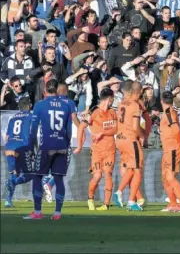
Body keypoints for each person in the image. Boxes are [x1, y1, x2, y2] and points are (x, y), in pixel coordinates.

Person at [26, 79, 73, 220]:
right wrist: (66, 144)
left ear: (45, 91)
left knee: (37, 177)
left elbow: (33, 129)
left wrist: (32, 147)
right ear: (57, 90)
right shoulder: (66, 106)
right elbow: (69, 130)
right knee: (59, 179)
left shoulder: (40, 105)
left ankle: (38, 212)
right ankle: (57, 213)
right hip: (62, 145)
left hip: (46, 146)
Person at [74, 88, 117, 211]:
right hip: (97, 151)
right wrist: (79, 145)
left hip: (110, 149)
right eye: (113, 99)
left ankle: (106, 204)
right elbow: (81, 127)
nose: (113, 101)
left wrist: (102, 133)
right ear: (109, 99)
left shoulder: (112, 113)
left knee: (108, 174)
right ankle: (90, 199)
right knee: (97, 176)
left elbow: (115, 129)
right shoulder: (93, 112)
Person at [113, 81, 147, 211]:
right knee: (138, 170)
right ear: (138, 92)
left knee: (130, 169)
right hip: (130, 139)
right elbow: (135, 126)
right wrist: (142, 136)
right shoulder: (134, 105)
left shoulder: (122, 103)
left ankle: (119, 191)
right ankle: (132, 201)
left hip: (120, 139)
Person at [159, 91, 180, 213]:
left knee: (170, 176)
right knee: (164, 177)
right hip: (167, 149)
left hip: (173, 148)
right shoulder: (169, 113)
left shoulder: (169, 113)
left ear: (161, 101)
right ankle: (173, 204)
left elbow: (176, 129)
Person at [3, 98, 35, 208]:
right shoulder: (31, 116)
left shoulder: (12, 118)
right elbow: (33, 134)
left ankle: (8, 201)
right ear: (29, 106)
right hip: (23, 147)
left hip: (10, 147)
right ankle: (14, 183)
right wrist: (34, 148)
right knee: (31, 174)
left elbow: (7, 137)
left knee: (14, 173)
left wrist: (9, 147)